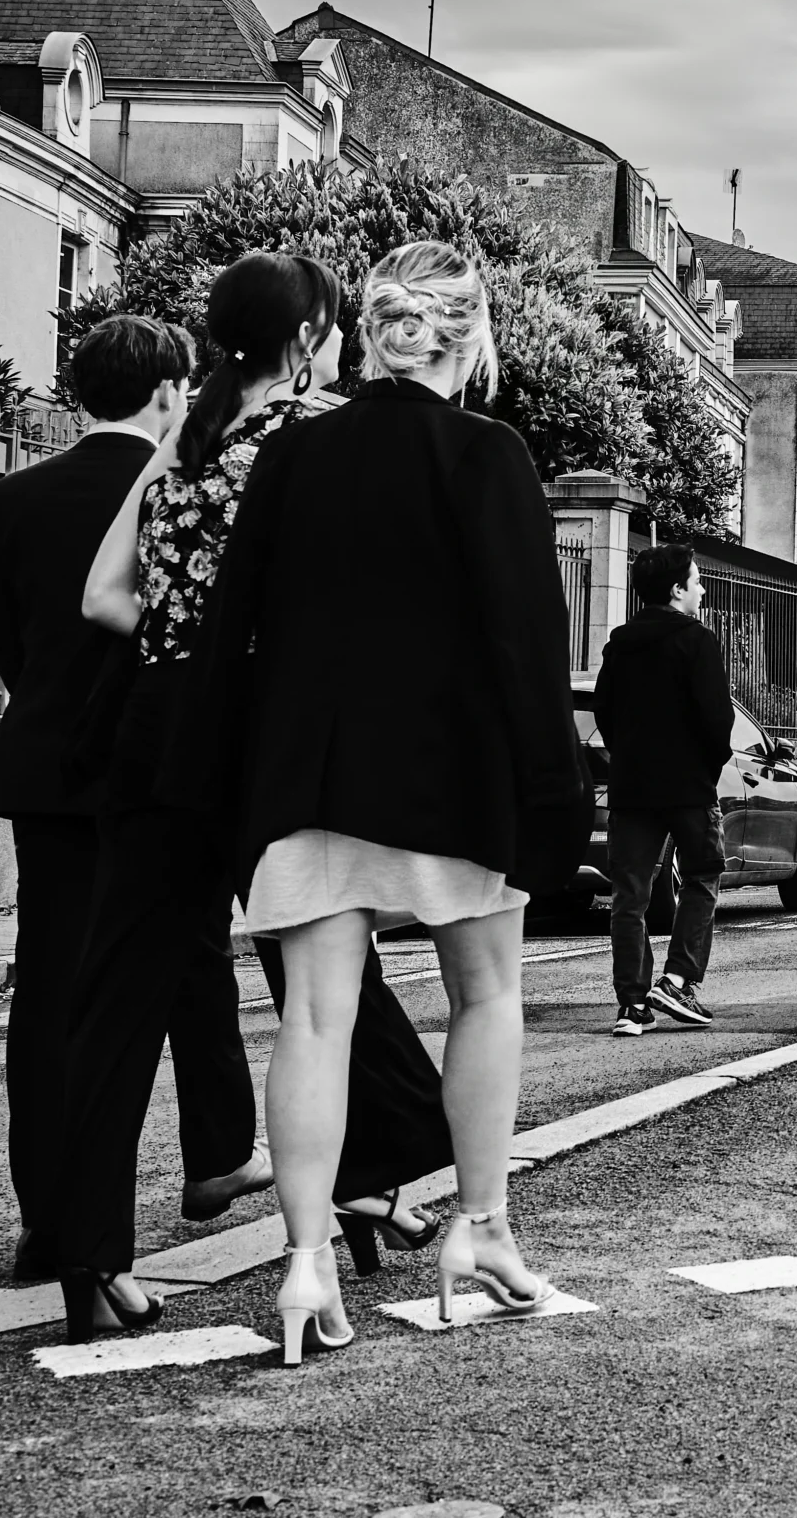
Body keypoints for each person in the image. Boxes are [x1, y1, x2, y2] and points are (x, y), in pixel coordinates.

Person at [204, 240, 586, 1362]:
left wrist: (224, 789)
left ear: (371, 332)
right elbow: (526, 637)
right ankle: (481, 1230)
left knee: (313, 1019)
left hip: (306, 774)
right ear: (467, 340)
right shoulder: (490, 454)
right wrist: (549, 793)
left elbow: (236, 630)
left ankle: (307, 1263)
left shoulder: (291, 454)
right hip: (451, 775)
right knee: (486, 996)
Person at [53, 262, 449, 1344]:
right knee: (319, 969)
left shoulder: (181, 440)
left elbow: (102, 596)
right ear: (316, 334)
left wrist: (184, 652)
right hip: (265, 730)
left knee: (119, 994)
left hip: (154, 728)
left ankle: (89, 1257)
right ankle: (371, 1174)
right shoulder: (317, 434)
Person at [0, 319, 191, 1285]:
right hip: (149, 770)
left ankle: (46, 1219)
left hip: (46, 764)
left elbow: (14, 648)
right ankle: (110, 1218)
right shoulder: (177, 491)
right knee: (146, 993)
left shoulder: (15, 493)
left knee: (49, 990)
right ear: (164, 393)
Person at [593, 542, 732, 1035]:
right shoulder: (698, 641)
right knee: (702, 876)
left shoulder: (618, 644)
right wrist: (706, 768)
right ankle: (677, 979)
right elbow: (719, 720)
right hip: (689, 788)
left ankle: (632, 1004)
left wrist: (629, 758)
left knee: (629, 896)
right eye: (696, 580)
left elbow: (604, 714)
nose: (702, 588)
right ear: (676, 591)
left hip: (632, 788)